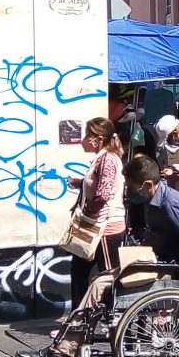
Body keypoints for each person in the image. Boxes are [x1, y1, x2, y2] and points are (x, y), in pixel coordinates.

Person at [17, 156, 179, 357]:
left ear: (147, 185)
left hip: (166, 269)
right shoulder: (155, 200)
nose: (129, 193)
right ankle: (62, 349)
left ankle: (64, 352)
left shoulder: (173, 204)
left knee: (98, 286)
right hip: (150, 261)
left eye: (132, 188)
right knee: (99, 282)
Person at [67, 118, 127, 311]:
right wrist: (80, 183)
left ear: (98, 139)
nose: (84, 140)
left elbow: (103, 194)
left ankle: (114, 317)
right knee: (78, 271)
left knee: (107, 276)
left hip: (105, 228)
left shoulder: (109, 159)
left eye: (87, 136)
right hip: (94, 226)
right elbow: (98, 185)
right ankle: (78, 319)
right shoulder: (101, 158)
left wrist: (86, 213)